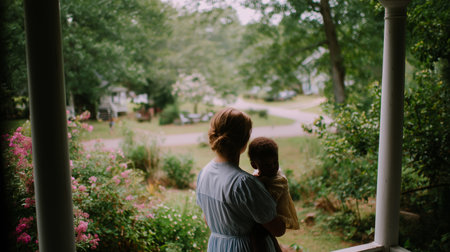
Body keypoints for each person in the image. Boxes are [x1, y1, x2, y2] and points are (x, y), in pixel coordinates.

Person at [196, 108, 286, 251]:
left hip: (218, 246)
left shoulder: (204, 174)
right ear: (244, 141)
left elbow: (208, 220)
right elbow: (278, 230)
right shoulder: (244, 184)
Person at [248, 137, 300, 230]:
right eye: (267, 165)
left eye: (275, 162)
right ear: (254, 165)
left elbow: (265, 200)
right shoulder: (259, 176)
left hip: (277, 219)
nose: (272, 167)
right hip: (266, 218)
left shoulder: (279, 181)